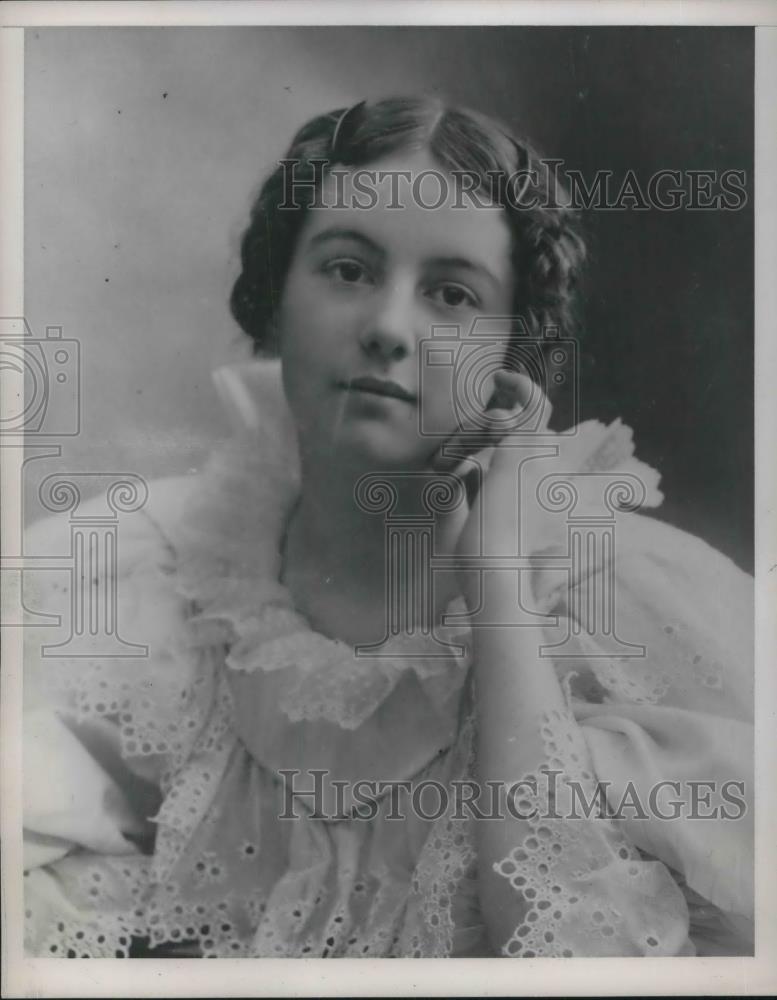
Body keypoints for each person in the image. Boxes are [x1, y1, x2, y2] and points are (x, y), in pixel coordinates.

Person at [22, 96, 754, 958]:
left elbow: (569, 957)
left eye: (451, 294)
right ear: (274, 299)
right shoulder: (157, 569)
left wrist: (496, 582)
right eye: (346, 270)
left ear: (509, 360)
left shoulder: (623, 607)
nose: (386, 329)